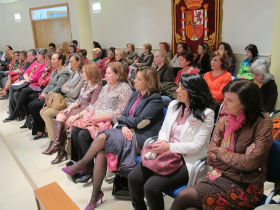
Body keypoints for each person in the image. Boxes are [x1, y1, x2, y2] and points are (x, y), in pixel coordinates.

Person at [62, 67, 164, 210]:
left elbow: (141, 122)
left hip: (142, 139)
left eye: (139, 79)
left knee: (104, 137)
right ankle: (94, 195)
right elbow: (123, 115)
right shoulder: (135, 95)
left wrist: (125, 122)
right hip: (127, 132)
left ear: (148, 82)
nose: (134, 81)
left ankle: (82, 164)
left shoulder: (155, 100)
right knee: (101, 151)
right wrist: (123, 126)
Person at [170, 79, 273, 210]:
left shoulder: (262, 123)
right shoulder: (225, 119)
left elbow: (251, 163)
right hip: (219, 176)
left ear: (245, 104)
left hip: (246, 186)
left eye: (230, 100)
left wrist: (221, 152)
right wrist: (238, 158)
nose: (223, 103)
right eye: (224, 98)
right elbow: (211, 156)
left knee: (184, 196)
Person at [128, 74, 216, 210]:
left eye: (181, 88)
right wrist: (162, 144)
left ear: (193, 92)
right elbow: (164, 130)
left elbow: (196, 146)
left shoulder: (206, 114)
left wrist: (169, 146)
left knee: (151, 187)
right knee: (134, 178)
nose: (177, 90)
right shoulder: (174, 105)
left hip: (186, 159)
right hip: (165, 153)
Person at [64, 62, 132, 183]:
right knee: (75, 129)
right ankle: (80, 163)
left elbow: (121, 112)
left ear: (118, 74)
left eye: (109, 73)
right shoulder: (106, 87)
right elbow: (95, 104)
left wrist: (99, 118)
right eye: (105, 72)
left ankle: (89, 170)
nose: (105, 75)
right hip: (97, 117)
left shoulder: (124, 88)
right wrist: (85, 114)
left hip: (109, 121)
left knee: (83, 135)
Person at [45, 62, 102, 164]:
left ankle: (60, 151)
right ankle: (57, 145)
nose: (82, 74)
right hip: (79, 108)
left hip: (86, 111)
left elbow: (92, 106)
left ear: (90, 73)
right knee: (60, 115)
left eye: (84, 72)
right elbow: (79, 100)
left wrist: (76, 115)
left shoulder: (97, 87)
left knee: (66, 122)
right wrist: (70, 108)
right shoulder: (85, 83)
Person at [40, 53, 84, 145]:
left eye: (72, 62)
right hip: (65, 100)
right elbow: (63, 88)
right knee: (42, 111)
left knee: (47, 113)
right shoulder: (73, 74)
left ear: (78, 62)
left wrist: (67, 89)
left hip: (72, 103)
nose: (70, 64)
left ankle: (55, 141)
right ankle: (56, 138)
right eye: (69, 62)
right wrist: (68, 89)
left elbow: (74, 93)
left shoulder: (82, 75)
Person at [28, 52, 70, 140]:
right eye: (51, 59)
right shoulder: (54, 71)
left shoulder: (64, 72)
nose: (52, 61)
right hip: (49, 94)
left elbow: (58, 87)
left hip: (56, 97)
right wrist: (44, 92)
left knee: (36, 106)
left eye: (54, 59)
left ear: (60, 60)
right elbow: (49, 84)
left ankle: (41, 130)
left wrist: (47, 95)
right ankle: (42, 128)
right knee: (31, 104)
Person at [4, 52, 54, 122]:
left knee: (20, 92)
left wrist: (28, 79)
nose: (37, 56)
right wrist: (26, 77)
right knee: (13, 90)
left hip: (36, 85)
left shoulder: (46, 67)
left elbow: (39, 80)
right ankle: (16, 113)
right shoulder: (36, 63)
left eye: (38, 55)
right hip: (31, 82)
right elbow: (26, 72)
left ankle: (17, 113)